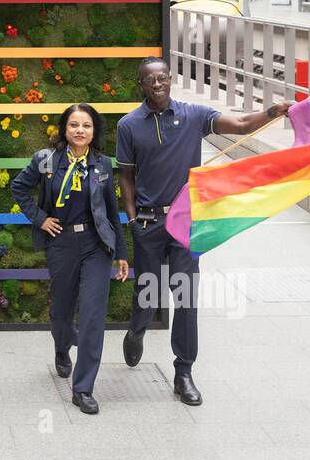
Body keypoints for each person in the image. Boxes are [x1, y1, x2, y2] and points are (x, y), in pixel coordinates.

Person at [115, 56, 290, 406]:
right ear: (142, 85)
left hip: (186, 223)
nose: (159, 84)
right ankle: (136, 330)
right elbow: (126, 177)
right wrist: (133, 221)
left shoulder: (192, 115)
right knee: (148, 296)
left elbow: (240, 124)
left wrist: (274, 111)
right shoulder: (129, 125)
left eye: (163, 78)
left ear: (170, 80)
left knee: (186, 297)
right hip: (148, 224)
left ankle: (184, 373)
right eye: (151, 80)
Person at [11, 104, 129, 414]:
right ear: (65, 129)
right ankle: (62, 347)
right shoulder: (46, 160)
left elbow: (110, 212)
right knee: (62, 312)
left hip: (95, 245)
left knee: (92, 317)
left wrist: (120, 253)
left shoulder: (102, 165)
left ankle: (83, 388)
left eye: (86, 125)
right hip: (61, 243)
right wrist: (40, 219)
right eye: (74, 124)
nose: (80, 130)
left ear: (94, 131)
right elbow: (19, 188)